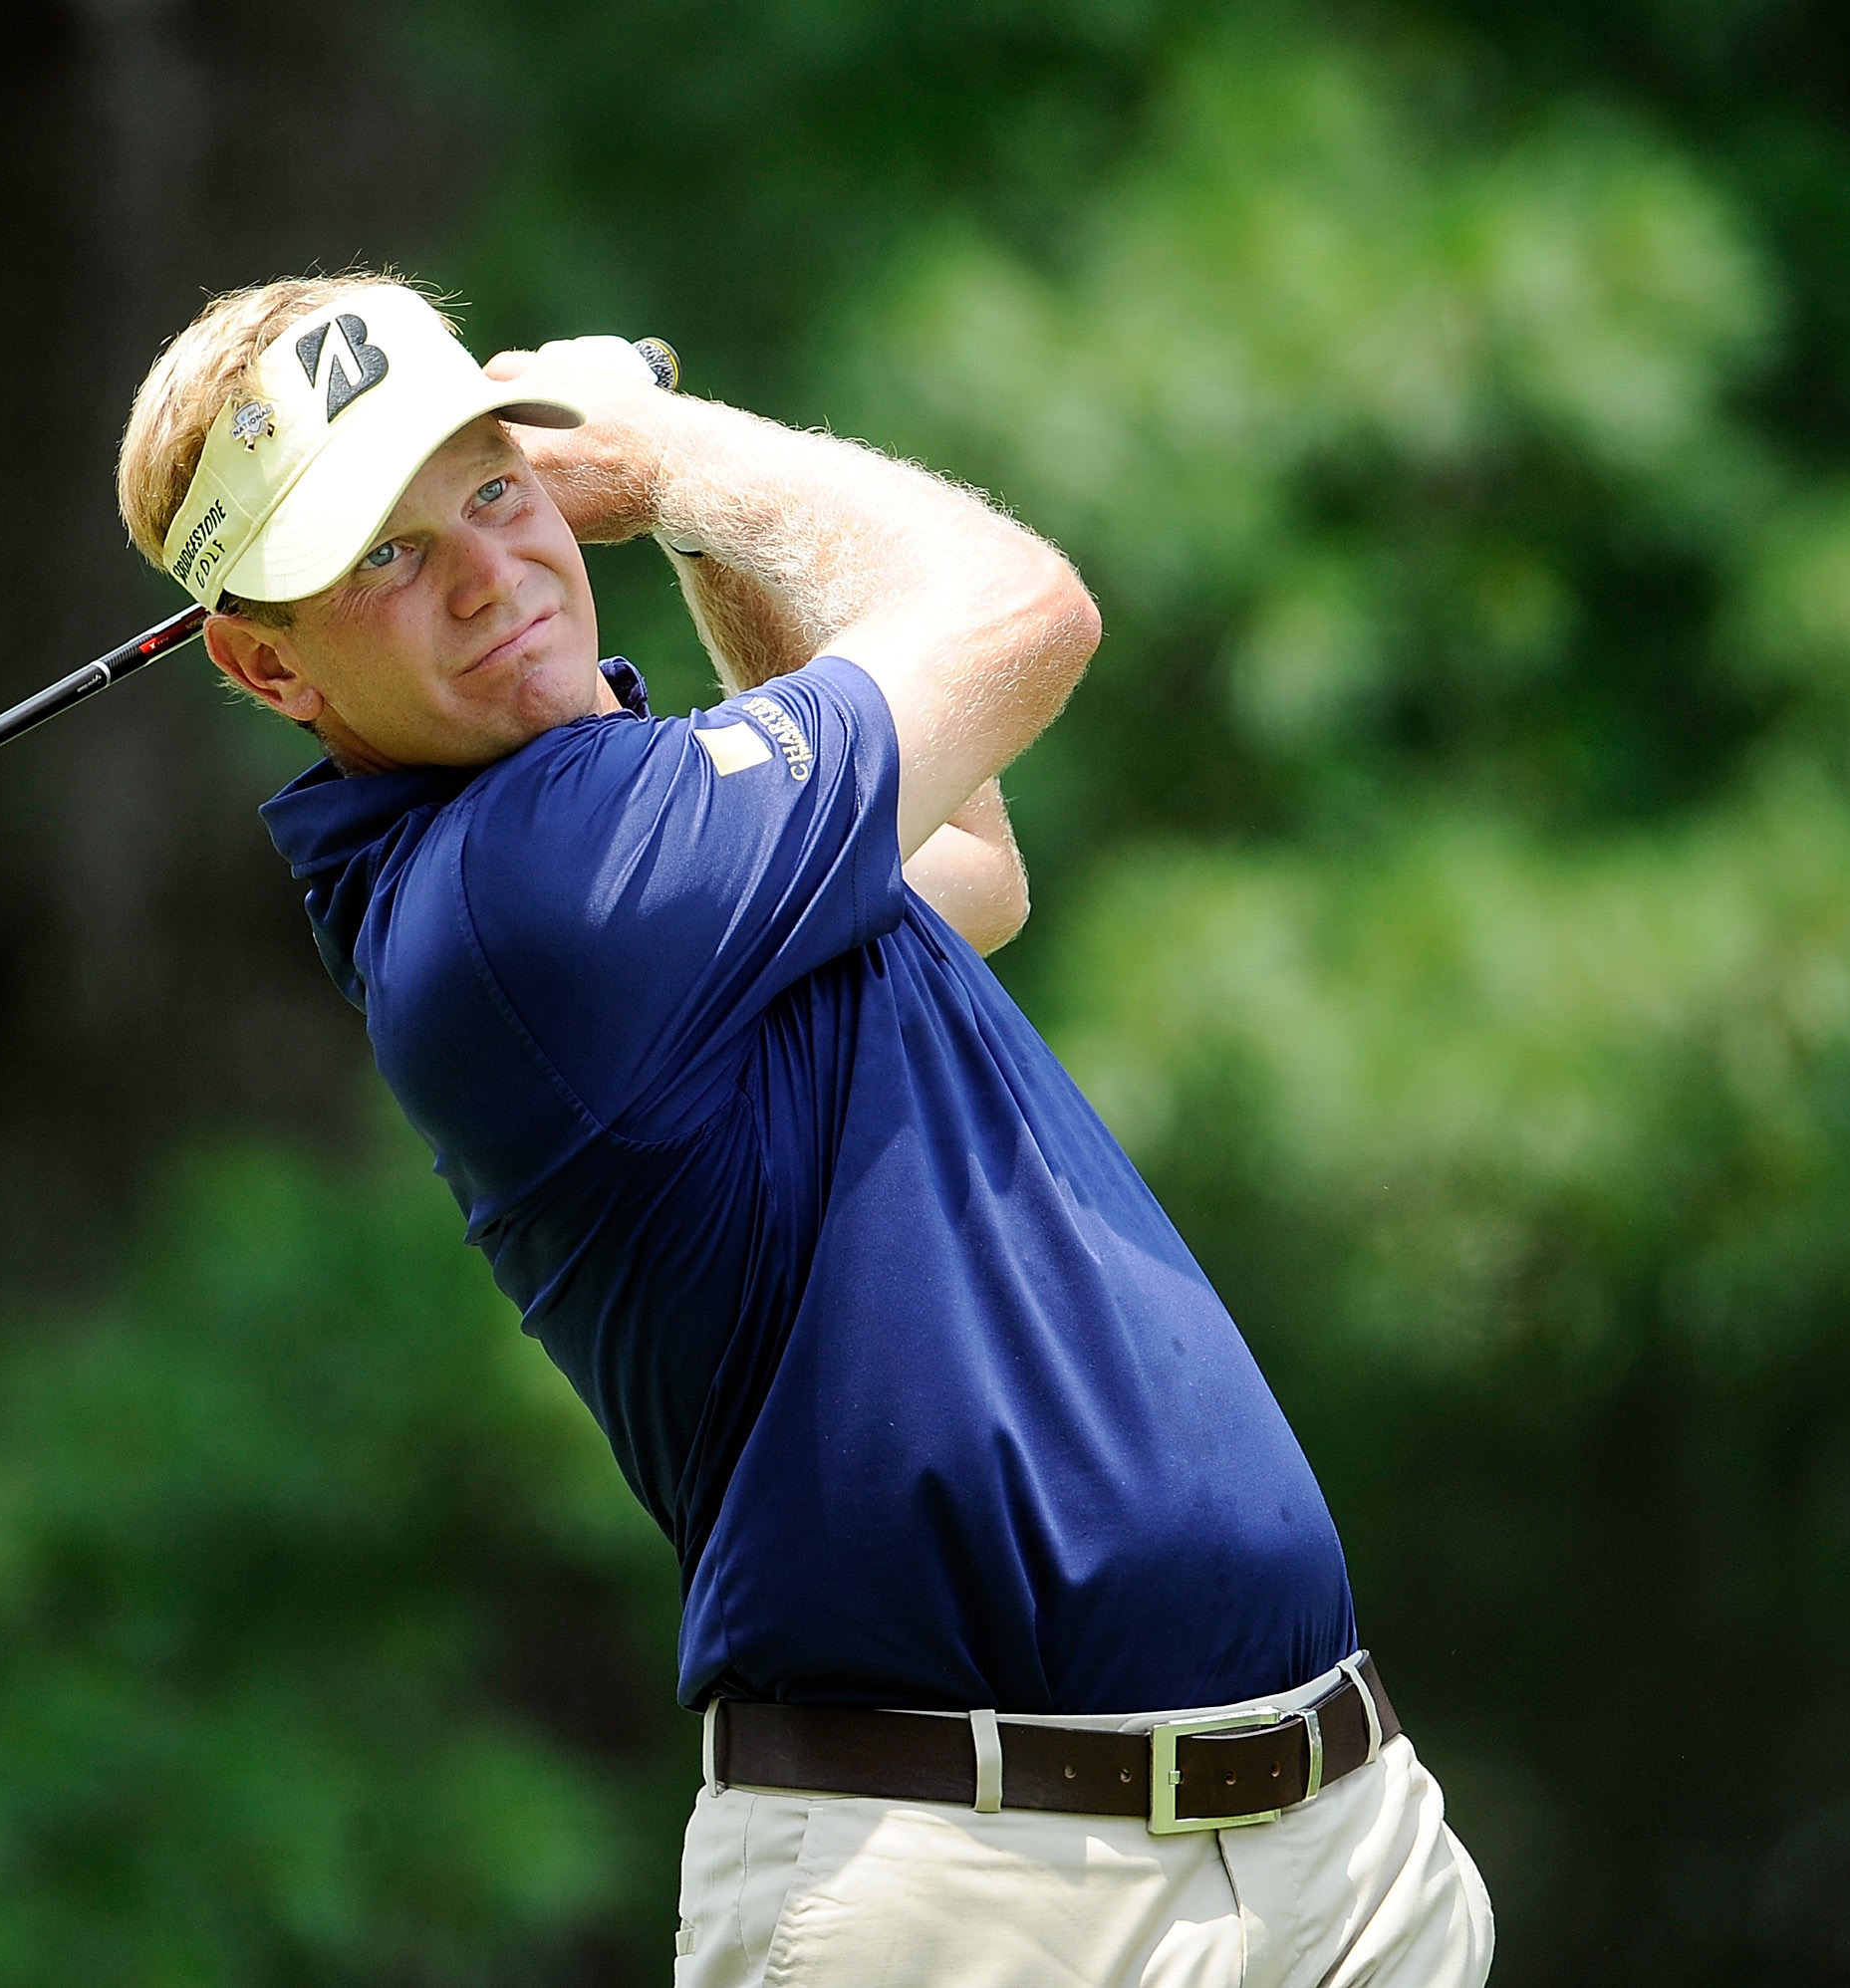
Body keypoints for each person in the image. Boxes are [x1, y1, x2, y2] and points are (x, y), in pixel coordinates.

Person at [115, 273, 1493, 1987]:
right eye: (385, 557)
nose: (489, 570)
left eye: (494, 486)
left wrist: (690, 530)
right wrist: (677, 455)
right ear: (262, 661)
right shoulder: (528, 890)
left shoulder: (649, 840)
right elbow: (1022, 611)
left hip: (1331, 1848)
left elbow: (967, 875)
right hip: (984, 1897)